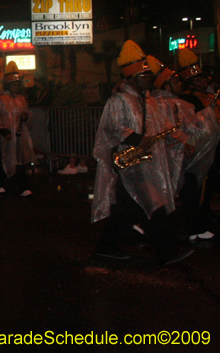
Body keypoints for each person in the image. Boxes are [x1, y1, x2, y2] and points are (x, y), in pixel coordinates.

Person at [92, 41, 193, 265]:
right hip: (130, 164)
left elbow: (162, 127)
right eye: (144, 76)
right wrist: (138, 140)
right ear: (131, 78)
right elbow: (112, 127)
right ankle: (166, 251)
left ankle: (106, 245)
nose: (149, 80)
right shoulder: (119, 100)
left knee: (128, 208)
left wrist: (180, 141)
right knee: (153, 203)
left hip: (145, 163)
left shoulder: (147, 100)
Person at [175, 48, 219, 242]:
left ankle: (203, 217)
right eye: (199, 78)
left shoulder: (207, 96)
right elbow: (193, 125)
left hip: (211, 148)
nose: (204, 81)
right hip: (196, 151)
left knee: (209, 184)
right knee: (194, 187)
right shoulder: (187, 99)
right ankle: (195, 225)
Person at [0, 61, 34, 196]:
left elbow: (28, 114)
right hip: (5, 136)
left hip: (19, 135)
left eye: (17, 84)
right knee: (4, 158)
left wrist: (26, 116)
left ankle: (23, 187)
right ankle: (0, 183)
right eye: (14, 84)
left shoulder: (21, 99)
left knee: (20, 159)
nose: (16, 87)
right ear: (8, 85)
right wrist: (4, 132)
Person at [52, 68, 89, 175]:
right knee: (82, 144)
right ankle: (82, 165)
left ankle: (72, 166)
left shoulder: (66, 88)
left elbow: (56, 103)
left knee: (72, 143)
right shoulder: (75, 86)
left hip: (73, 120)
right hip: (82, 119)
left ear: (62, 77)